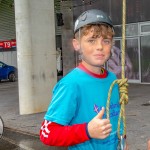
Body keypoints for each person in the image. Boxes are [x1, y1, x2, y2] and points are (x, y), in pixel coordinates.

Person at [40, 9, 128, 150]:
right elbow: (47, 134)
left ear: (112, 44)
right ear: (77, 44)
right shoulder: (70, 84)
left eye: (106, 40)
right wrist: (87, 130)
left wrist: (123, 139)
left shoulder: (112, 79)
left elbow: (118, 118)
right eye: (91, 40)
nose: (99, 47)